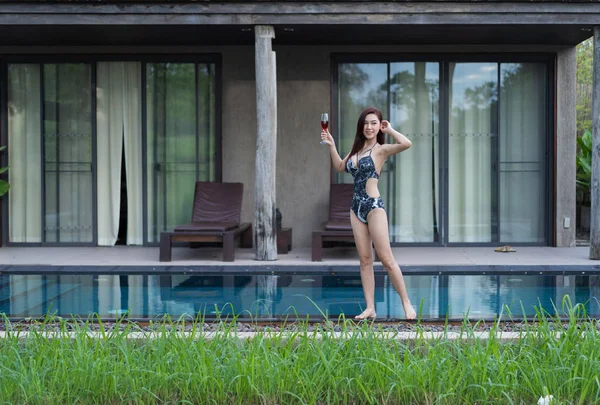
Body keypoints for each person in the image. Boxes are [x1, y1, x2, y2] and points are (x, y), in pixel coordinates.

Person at [321, 107, 416, 321]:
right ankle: (370, 308)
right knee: (365, 259)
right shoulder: (356, 151)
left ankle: (406, 303)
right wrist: (332, 144)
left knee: (386, 258)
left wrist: (390, 129)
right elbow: (339, 167)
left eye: (374, 123)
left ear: (379, 126)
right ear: (361, 126)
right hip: (356, 209)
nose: (369, 127)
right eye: (366, 123)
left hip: (373, 207)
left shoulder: (380, 150)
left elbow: (406, 143)